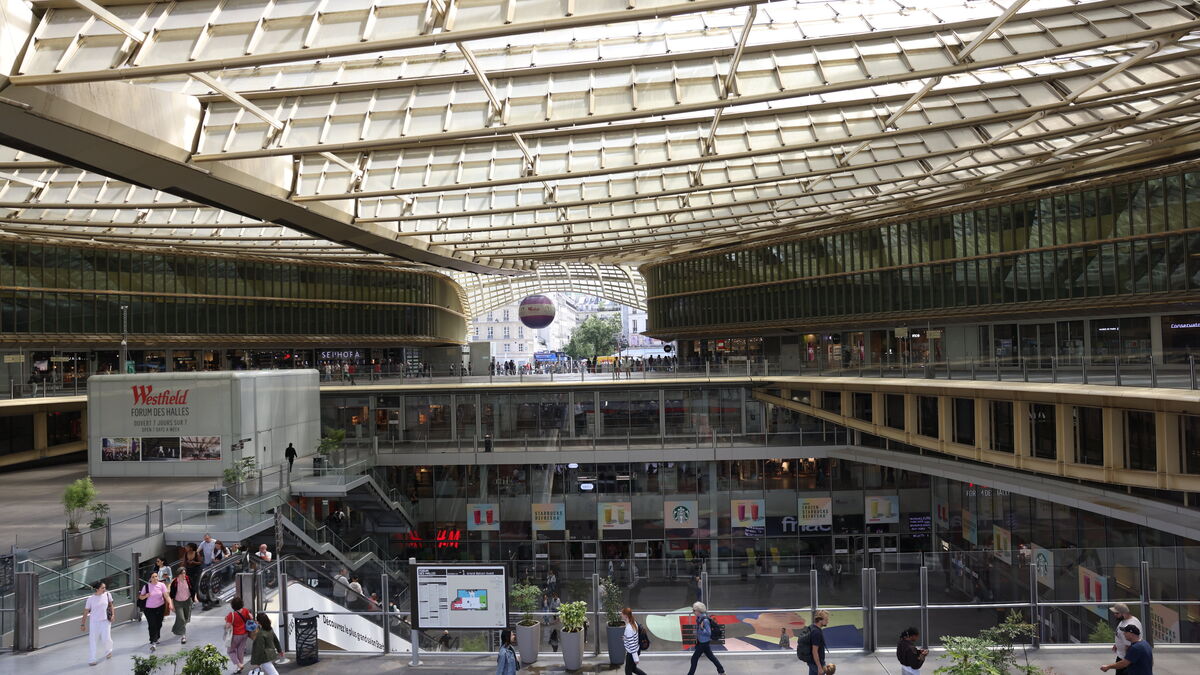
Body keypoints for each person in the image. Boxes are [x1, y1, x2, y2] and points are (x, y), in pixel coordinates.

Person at [81, 580, 114, 665]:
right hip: (94, 622)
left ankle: (108, 650)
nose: (104, 589)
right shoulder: (90, 599)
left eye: (105, 587)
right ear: (97, 589)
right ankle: (92, 658)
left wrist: (113, 614)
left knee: (106, 638)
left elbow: (111, 605)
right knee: (93, 640)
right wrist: (83, 624)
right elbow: (85, 611)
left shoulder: (107, 594)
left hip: (105, 621)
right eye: (102, 588)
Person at [685, 602, 724, 675]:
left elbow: (709, 633)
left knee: (694, 658)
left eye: (694, 610)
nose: (693, 612)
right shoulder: (699, 618)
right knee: (711, 657)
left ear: (698, 611)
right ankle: (721, 671)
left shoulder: (705, 620)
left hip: (703, 643)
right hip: (701, 641)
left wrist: (702, 628)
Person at [137, 571, 172, 651]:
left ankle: (157, 637)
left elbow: (166, 595)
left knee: (159, 624)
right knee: (152, 624)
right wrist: (146, 595)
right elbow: (140, 597)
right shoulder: (146, 587)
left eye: (156, 576)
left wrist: (170, 603)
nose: (155, 578)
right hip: (149, 609)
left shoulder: (162, 585)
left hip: (160, 607)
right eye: (153, 577)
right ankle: (153, 640)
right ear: (150, 578)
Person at [225, 596, 254, 673]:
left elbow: (227, 626)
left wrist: (228, 622)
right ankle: (239, 667)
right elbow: (251, 618)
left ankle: (239, 664)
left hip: (236, 635)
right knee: (240, 651)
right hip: (245, 634)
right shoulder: (245, 611)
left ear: (233, 606)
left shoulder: (231, 615)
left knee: (230, 651)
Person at [169, 566, 196, 644]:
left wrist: (195, 598)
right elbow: (171, 595)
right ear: (178, 574)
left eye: (184, 573)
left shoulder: (188, 579)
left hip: (187, 601)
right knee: (181, 618)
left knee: (186, 618)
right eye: (182, 573)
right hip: (178, 602)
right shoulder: (175, 582)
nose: (184, 575)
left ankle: (175, 628)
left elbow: (193, 589)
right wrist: (172, 605)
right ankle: (183, 636)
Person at [800, 610, 830, 675]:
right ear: (820, 620)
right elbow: (815, 651)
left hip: (811, 661)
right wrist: (819, 667)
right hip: (816, 664)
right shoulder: (817, 633)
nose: (828, 621)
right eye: (826, 619)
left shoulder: (812, 627)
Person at [621, 607, 647, 675]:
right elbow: (634, 636)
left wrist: (636, 658)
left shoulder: (628, 628)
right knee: (633, 669)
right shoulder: (633, 622)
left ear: (626, 616)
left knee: (628, 671)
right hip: (636, 650)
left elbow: (632, 644)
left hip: (632, 653)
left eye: (622, 614)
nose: (621, 615)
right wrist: (626, 638)